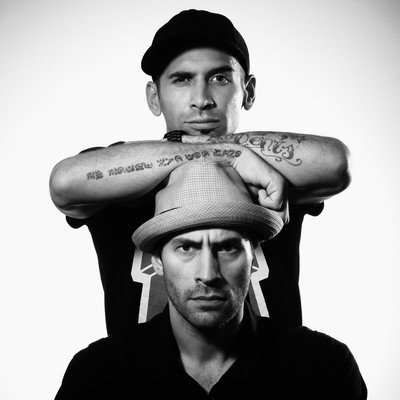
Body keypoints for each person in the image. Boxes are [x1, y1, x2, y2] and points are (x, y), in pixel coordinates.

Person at [49, 9, 351, 333]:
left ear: (248, 91)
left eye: (220, 78)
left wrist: (226, 154)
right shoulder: (120, 168)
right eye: (182, 79)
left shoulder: (268, 166)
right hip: (140, 366)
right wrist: (228, 153)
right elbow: (64, 182)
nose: (201, 100)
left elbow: (336, 163)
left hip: (278, 365)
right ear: (154, 97)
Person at [55, 163, 366, 399]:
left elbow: (337, 164)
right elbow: (63, 183)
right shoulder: (98, 375)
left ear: (253, 258)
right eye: (186, 248)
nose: (208, 273)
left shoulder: (321, 367)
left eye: (227, 247)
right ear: (158, 261)